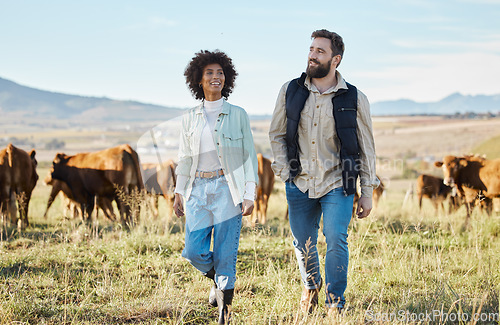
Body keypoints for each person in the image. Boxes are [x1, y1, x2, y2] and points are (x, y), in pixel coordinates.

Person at [269, 29, 378, 316]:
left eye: (320, 51)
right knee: (303, 242)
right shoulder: (290, 90)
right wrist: (284, 171)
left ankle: (334, 302)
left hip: (337, 183)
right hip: (299, 182)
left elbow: (366, 147)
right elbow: (277, 135)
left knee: (335, 239)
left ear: (336, 60)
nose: (312, 55)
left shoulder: (355, 97)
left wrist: (366, 192)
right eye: (311, 49)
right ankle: (311, 285)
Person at [173, 50, 258, 324]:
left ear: (227, 78)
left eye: (220, 72)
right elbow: (184, 158)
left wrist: (249, 194)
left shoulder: (238, 115)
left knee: (225, 252)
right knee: (193, 251)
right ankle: (217, 278)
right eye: (209, 72)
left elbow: (249, 157)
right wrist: (178, 191)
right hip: (197, 189)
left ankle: (224, 313)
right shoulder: (189, 118)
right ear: (198, 79)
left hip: (227, 188)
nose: (215, 77)